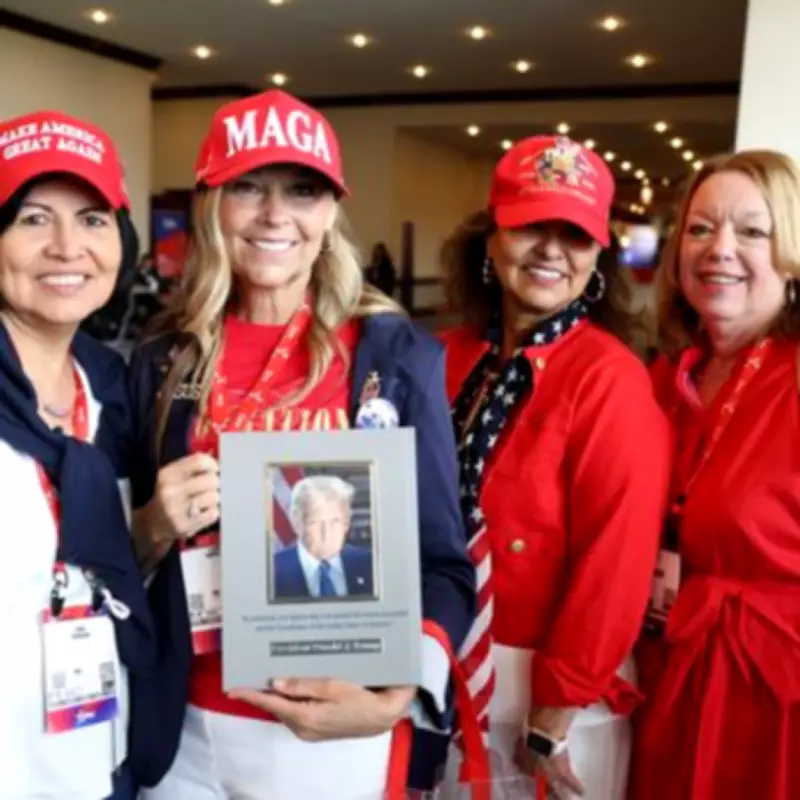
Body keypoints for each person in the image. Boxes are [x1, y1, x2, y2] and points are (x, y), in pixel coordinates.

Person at [127, 88, 479, 798]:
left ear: (330, 212)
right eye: (248, 187)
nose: (275, 214)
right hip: (181, 726)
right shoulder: (163, 355)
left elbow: (443, 561)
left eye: (302, 191)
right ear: (211, 204)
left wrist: (401, 692)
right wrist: (153, 525)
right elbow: (114, 556)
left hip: (327, 729)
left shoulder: (393, 356)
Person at [438, 135, 672, 799]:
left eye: (574, 234)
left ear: (597, 256)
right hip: (441, 659)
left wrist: (556, 709)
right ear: (490, 240)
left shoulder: (610, 378)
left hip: (545, 687)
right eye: (530, 226)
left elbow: (617, 556)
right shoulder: (446, 355)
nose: (550, 249)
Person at [628, 150, 800, 800]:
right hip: (664, 673)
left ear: (790, 252)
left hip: (772, 702)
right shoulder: (663, 379)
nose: (718, 249)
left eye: (752, 231)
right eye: (700, 228)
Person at [0, 111, 156, 799]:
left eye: (92, 219)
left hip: (98, 757)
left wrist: (157, 527)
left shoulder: (114, 391)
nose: (68, 247)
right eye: (33, 219)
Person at [273, 475, 374, 601]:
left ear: (347, 522)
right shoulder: (272, 572)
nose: (326, 533)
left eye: (335, 521)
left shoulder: (370, 565)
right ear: (296, 522)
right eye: (315, 522)